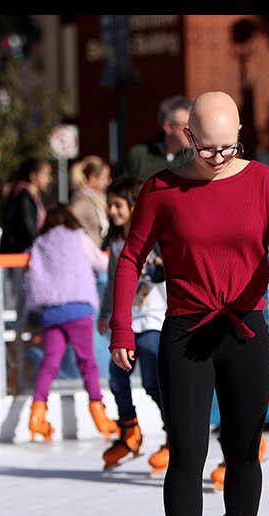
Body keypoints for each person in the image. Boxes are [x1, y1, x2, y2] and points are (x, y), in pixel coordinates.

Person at [109, 91, 269, 516]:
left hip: (244, 332)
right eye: (207, 148)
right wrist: (121, 328)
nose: (218, 158)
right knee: (187, 451)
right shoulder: (164, 188)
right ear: (188, 137)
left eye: (228, 146)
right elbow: (131, 258)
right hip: (186, 333)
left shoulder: (261, 179)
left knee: (243, 448)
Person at [24, 205, 118, 442]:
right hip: (78, 309)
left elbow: (32, 274)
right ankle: (99, 415)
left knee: (50, 363)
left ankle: (37, 415)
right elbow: (100, 262)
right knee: (87, 363)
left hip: (52, 312)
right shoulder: (79, 238)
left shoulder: (40, 244)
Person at [98, 177, 170, 473]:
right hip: (127, 321)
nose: (113, 211)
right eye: (110, 205)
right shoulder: (116, 242)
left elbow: (169, 272)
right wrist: (107, 311)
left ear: (133, 205)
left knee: (154, 382)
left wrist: (157, 270)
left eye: (118, 205)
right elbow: (114, 281)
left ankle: (175, 435)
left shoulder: (155, 238)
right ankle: (129, 430)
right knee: (117, 376)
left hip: (155, 318)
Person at [120, 95, 194, 183]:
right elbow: (119, 192)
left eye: (192, 124)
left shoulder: (194, 157)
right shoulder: (139, 156)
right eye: (185, 125)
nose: (190, 131)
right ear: (168, 127)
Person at [0, 158, 53, 254]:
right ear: (33, 176)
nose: (49, 179)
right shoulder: (23, 196)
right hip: (19, 254)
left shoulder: (33, 197)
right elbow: (27, 226)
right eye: (46, 174)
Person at [69, 155, 112, 247]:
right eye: (105, 178)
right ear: (93, 178)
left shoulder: (98, 199)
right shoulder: (81, 200)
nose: (108, 181)